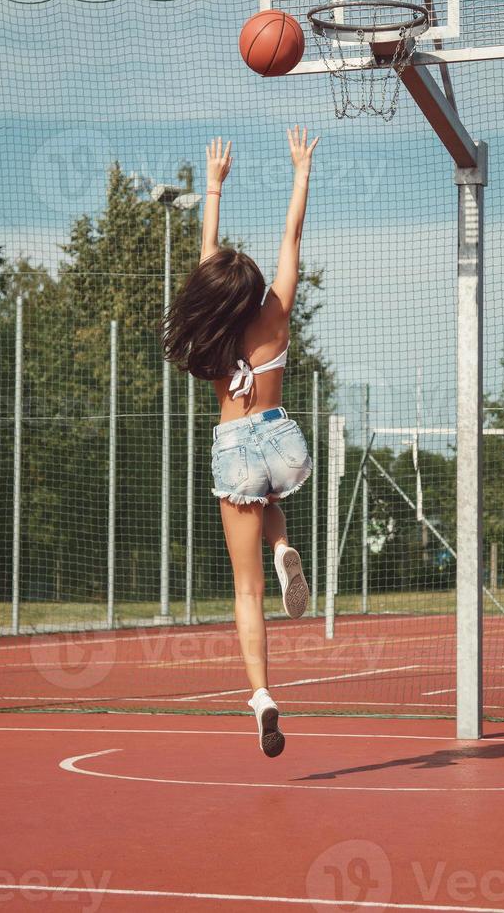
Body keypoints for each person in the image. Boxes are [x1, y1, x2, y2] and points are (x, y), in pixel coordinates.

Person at [162, 127, 320, 757]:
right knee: (272, 496)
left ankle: (262, 696)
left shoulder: (210, 332)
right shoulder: (273, 315)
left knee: (247, 590)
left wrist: (214, 187)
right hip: (281, 435)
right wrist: (299, 171)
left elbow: (207, 255)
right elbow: (292, 238)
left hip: (233, 444)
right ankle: (285, 545)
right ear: (252, 292)